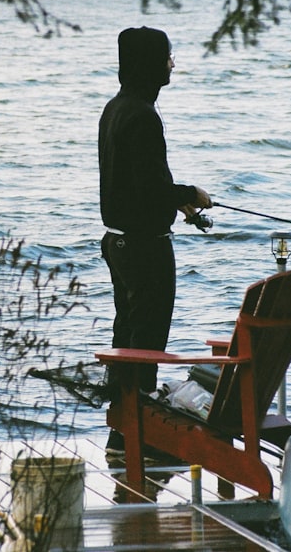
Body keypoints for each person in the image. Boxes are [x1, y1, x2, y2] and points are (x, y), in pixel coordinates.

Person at [98, 26, 212, 453]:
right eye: (167, 55)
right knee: (145, 346)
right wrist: (188, 196)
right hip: (145, 249)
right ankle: (136, 442)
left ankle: (121, 435)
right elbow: (150, 187)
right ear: (149, 63)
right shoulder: (143, 115)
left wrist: (174, 203)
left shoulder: (115, 108)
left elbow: (133, 184)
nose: (172, 63)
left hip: (118, 243)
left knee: (127, 342)